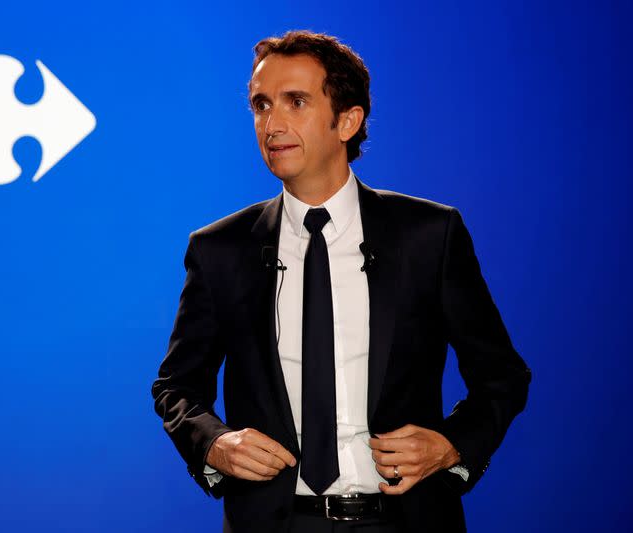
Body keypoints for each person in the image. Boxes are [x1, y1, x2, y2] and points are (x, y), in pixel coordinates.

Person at [152, 30, 531, 533]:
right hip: (274, 524)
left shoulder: (428, 236)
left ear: (347, 121)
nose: (273, 123)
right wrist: (215, 443)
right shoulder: (219, 249)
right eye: (261, 105)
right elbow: (177, 386)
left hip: (404, 521)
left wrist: (450, 446)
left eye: (296, 102)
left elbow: (501, 376)